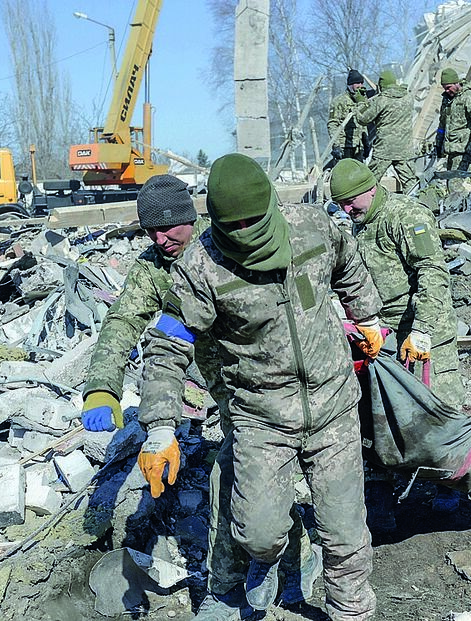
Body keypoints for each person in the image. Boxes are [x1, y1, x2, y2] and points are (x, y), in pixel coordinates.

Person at [136, 153, 381, 619]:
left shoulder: (312, 226)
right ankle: (264, 562)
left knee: (345, 531)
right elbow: (167, 346)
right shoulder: (201, 267)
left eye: (255, 219)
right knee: (258, 532)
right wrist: (160, 427)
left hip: (333, 408)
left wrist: (365, 314)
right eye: (237, 224)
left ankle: (352, 610)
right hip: (261, 417)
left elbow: (349, 264)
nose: (248, 231)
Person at [79, 174, 315, 620]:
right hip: (225, 391)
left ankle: (290, 564)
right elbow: (122, 322)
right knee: (237, 477)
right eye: (150, 230)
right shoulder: (154, 269)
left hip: (271, 378)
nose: (160, 238)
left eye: (169, 227)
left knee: (262, 479)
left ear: (189, 218)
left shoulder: (224, 244)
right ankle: (226, 588)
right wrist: (101, 387)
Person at [329, 158, 465, 532]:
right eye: (340, 204)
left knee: (436, 411)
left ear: (370, 188)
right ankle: (379, 498)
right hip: (380, 336)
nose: (346, 210)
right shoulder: (354, 226)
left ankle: (449, 486)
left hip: (421, 333)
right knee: (374, 417)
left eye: (351, 201)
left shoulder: (403, 216)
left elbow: (432, 272)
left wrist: (422, 329)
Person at [354, 69, 416, 194]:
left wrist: (361, 101)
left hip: (385, 150)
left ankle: (368, 208)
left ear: (381, 86)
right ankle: (418, 205)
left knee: (370, 181)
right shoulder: (408, 97)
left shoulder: (381, 100)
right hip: (405, 149)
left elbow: (363, 119)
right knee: (410, 182)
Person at [434, 68, 471, 174]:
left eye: (449, 87)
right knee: (452, 183)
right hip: (451, 150)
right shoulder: (447, 100)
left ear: (456, 83)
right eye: (444, 88)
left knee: (454, 185)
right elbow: (442, 125)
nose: (447, 91)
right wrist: (439, 143)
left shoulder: (469, 97)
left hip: (463, 150)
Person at [327, 69, 369, 166]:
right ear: (350, 84)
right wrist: (336, 145)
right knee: (344, 175)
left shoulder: (362, 101)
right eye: (357, 83)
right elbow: (332, 124)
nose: (360, 86)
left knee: (359, 176)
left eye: (361, 83)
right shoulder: (339, 101)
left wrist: (366, 143)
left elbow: (364, 124)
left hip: (358, 146)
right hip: (344, 146)